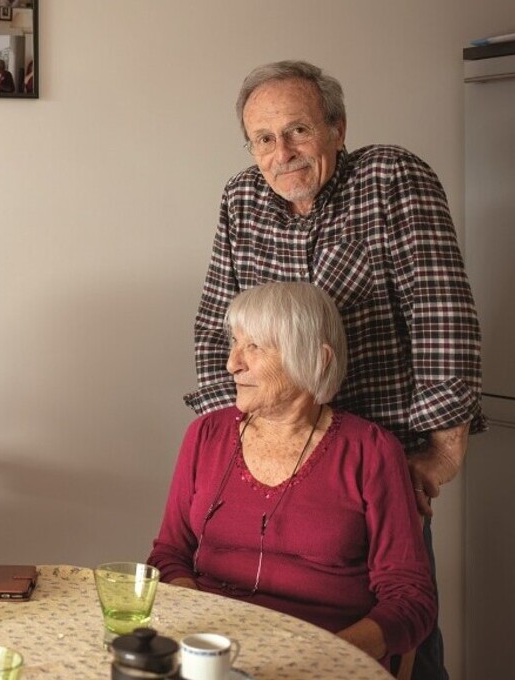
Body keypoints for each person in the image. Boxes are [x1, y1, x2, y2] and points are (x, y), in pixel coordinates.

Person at [185, 60, 481, 679]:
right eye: (263, 139)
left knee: (399, 634)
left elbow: (442, 320)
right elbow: (219, 328)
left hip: (380, 461)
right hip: (276, 450)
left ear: (338, 129)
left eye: (298, 131)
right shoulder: (241, 198)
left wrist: (441, 458)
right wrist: (227, 451)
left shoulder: (391, 179)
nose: (282, 152)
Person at [152, 282, 436, 671]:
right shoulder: (206, 435)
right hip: (213, 653)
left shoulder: (371, 451)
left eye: (254, 346)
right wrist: (199, 623)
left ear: (316, 359)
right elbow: (169, 554)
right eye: (235, 343)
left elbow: (410, 598)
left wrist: (324, 655)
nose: (232, 363)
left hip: (323, 659)